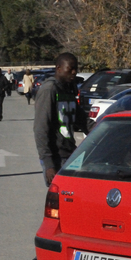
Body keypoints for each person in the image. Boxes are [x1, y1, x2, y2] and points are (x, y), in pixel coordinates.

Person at [34, 53, 89, 187]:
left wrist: (103, 131)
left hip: (70, 154)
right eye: (70, 69)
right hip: (56, 157)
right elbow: (41, 128)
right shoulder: (49, 90)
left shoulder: (68, 90)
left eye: (76, 68)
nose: (74, 72)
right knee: (60, 201)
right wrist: (48, 164)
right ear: (58, 68)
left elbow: (82, 120)